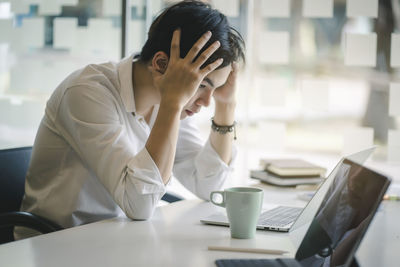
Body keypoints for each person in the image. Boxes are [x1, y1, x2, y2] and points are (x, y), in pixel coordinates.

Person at [15, 0, 245, 240]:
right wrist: (172, 104)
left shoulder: (170, 100)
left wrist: (226, 105)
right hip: (56, 245)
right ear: (161, 64)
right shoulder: (86, 92)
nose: (207, 101)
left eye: (214, 89)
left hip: (119, 240)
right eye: (202, 84)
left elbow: (210, 187)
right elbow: (139, 205)